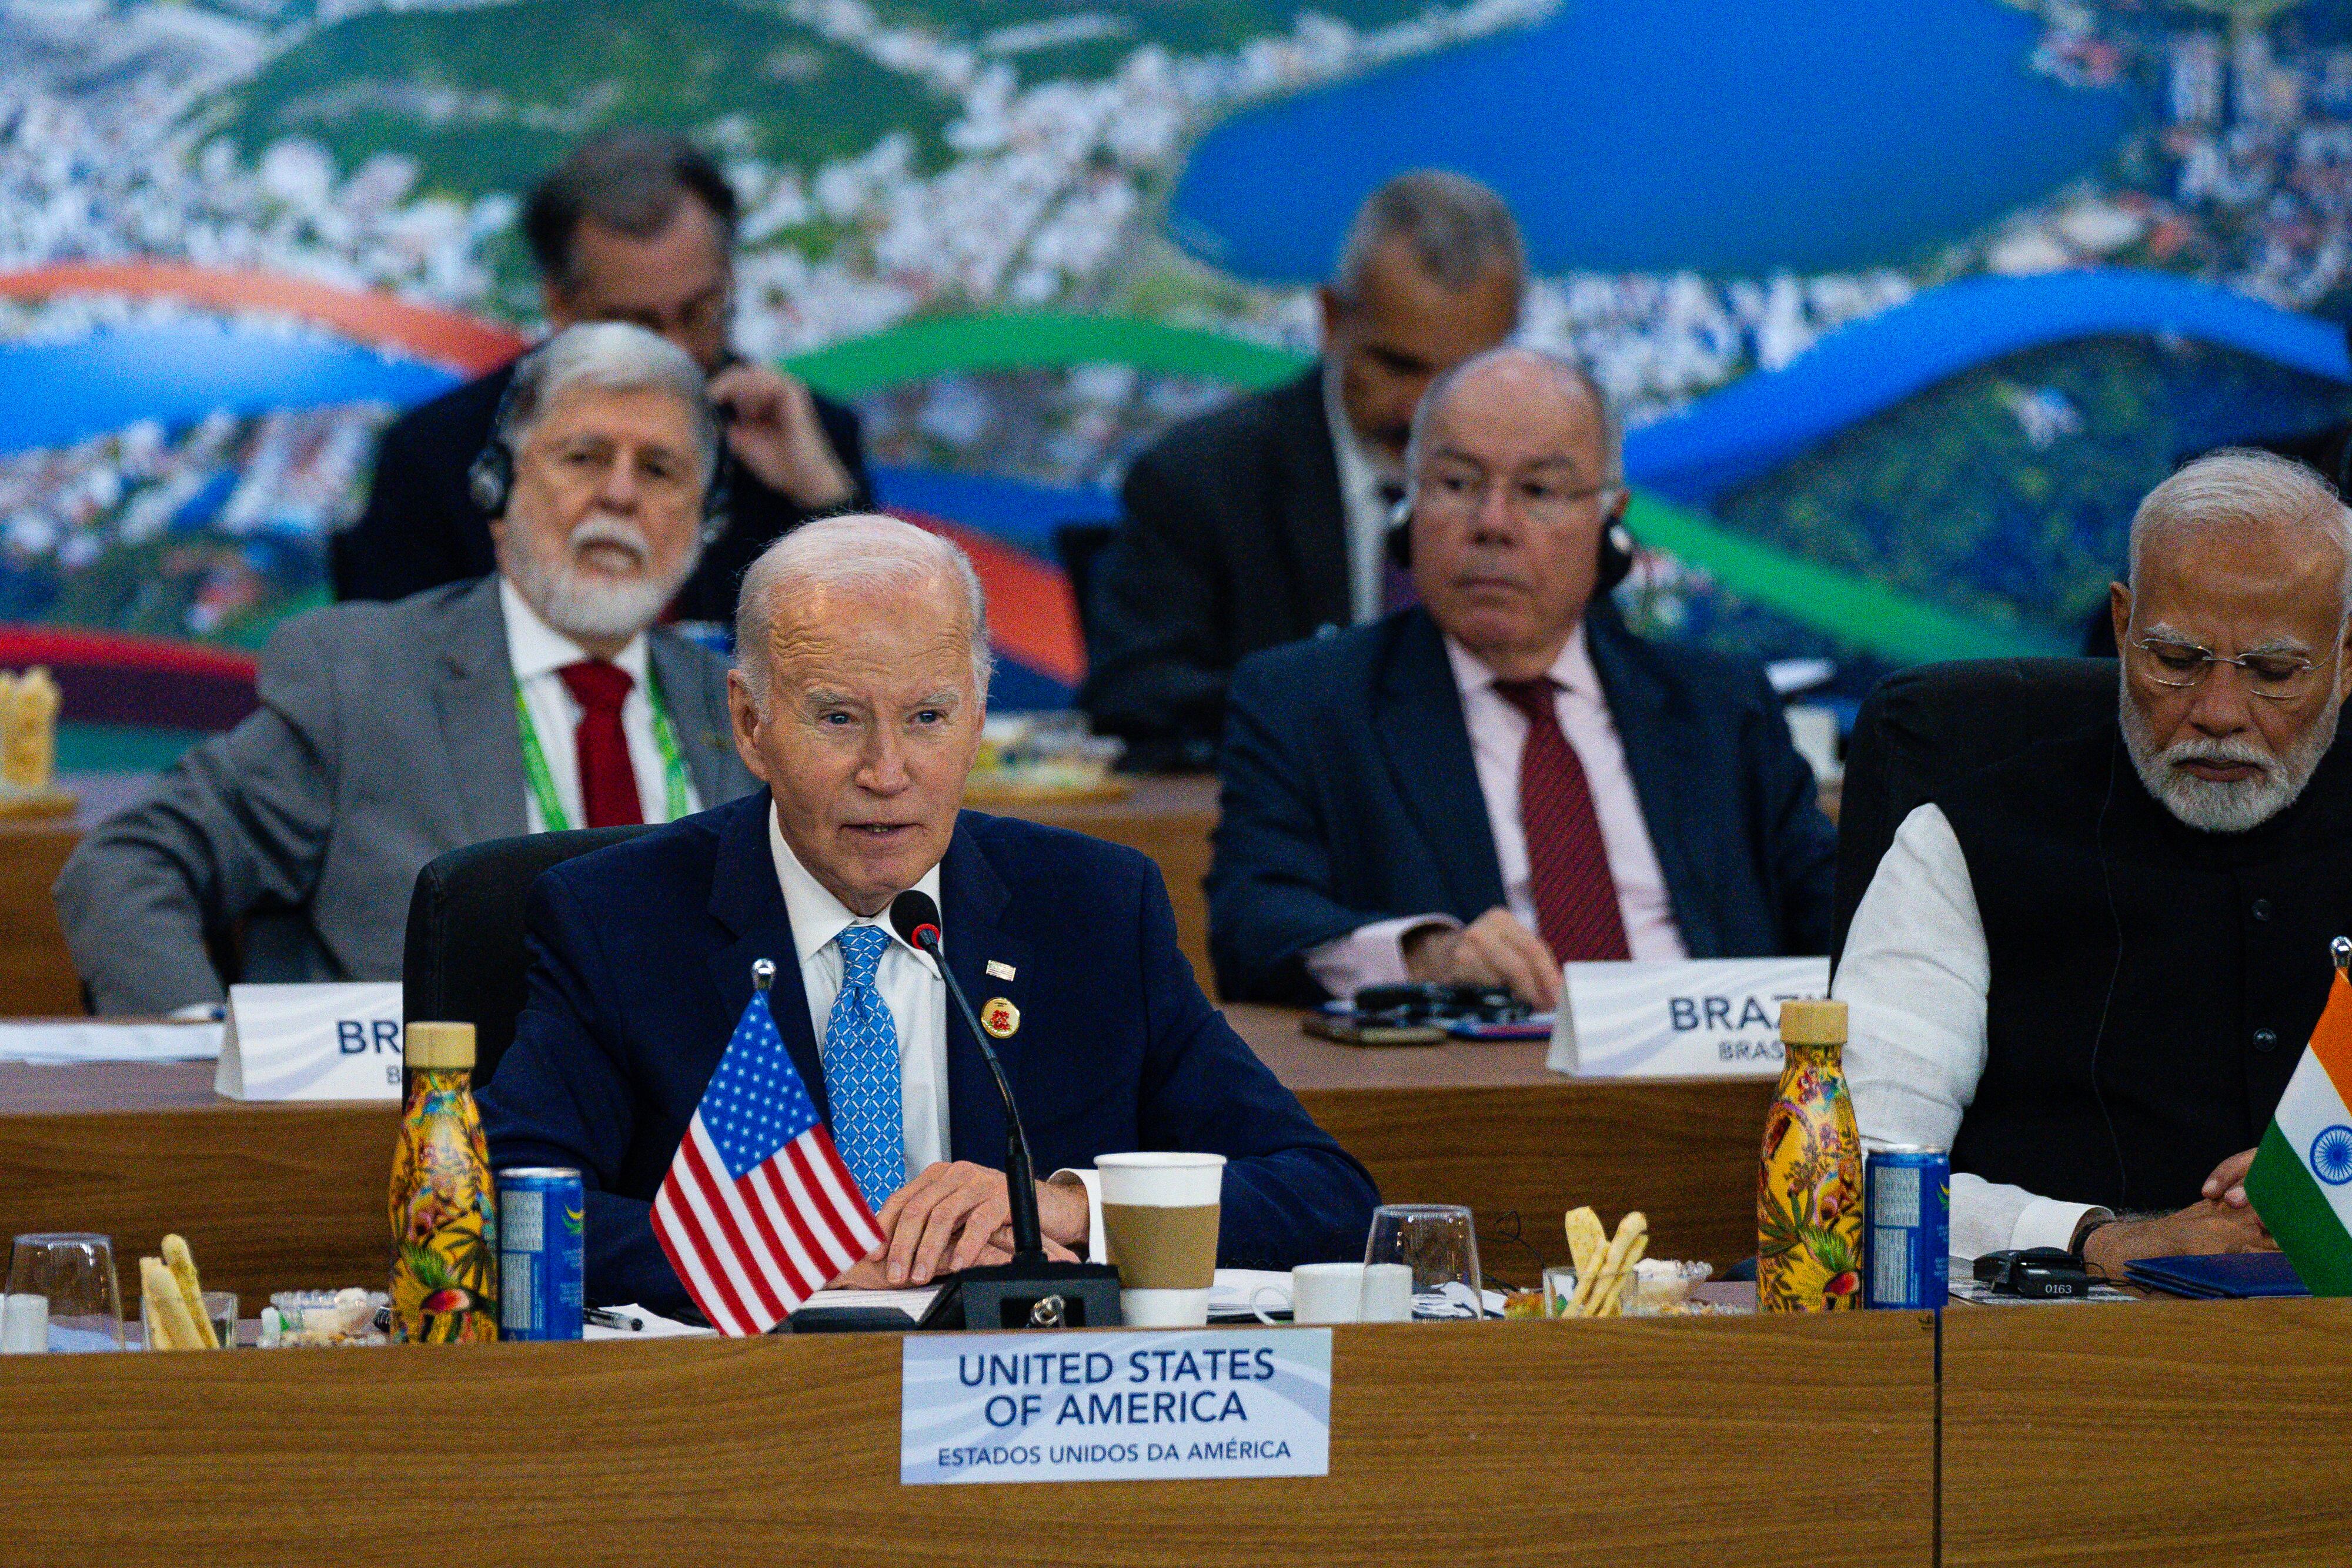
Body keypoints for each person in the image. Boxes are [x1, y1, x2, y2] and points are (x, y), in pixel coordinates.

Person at [479, 514, 1379, 1312]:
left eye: (928, 716)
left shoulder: (1095, 910)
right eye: (838, 717)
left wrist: (1058, 1204)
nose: (888, 771)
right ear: (751, 722)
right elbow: (505, 1201)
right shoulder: (621, 918)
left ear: (981, 713)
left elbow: (1326, 1194)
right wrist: (795, 1255)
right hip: (742, 1426)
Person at [55, 323, 757, 1015]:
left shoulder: (741, 710)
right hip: (419, 1122)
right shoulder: (361, 679)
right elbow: (129, 865)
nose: (620, 496)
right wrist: (205, 1057)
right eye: (584, 458)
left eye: (659, 470)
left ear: (706, 521)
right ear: (494, 491)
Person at [1836, 450, 2352, 1277]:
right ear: (2121, 627)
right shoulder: (1963, 839)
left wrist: (2342, 1189)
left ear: (2348, 656)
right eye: (2176, 662)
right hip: (2052, 1364)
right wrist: (2098, 1236)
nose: (2218, 713)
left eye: (2274, 673)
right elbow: (1855, 1172)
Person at [1208, 347, 1836, 1007]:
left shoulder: (1720, 707)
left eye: (1538, 491)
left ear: (1608, 521)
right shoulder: (1307, 704)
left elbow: (1838, 923)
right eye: (1455, 484)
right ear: (1408, 506)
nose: (1492, 525)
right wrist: (1424, 955)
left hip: (1714, 1090)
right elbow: (1251, 924)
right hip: (1474, 1094)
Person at [1078, 170, 1523, 770]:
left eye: (1458, 378)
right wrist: (1353, 704)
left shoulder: (1534, 488)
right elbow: (1134, 698)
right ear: (1332, 318)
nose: (1421, 409)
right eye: (1397, 366)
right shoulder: (1200, 481)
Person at [335, 128, 869, 624]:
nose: (678, 352)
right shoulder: (438, 456)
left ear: (729, 278)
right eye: (640, 324)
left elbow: (879, 666)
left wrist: (826, 503)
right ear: (561, 304)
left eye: (701, 311)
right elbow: (379, 687)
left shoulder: (800, 430)